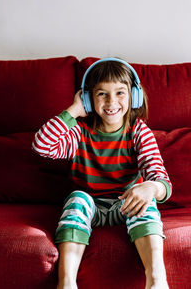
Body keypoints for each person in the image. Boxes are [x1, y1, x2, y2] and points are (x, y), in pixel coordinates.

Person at [32, 58, 172, 289]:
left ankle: (157, 279)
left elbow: (160, 178)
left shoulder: (138, 131)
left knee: (144, 198)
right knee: (77, 197)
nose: (111, 102)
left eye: (120, 93)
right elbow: (42, 145)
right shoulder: (80, 133)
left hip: (126, 203)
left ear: (133, 97)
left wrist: (151, 187)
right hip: (90, 206)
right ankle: (66, 282)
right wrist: (75, 110)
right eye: (101, 94)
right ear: (88, 99)